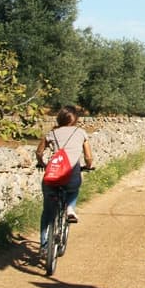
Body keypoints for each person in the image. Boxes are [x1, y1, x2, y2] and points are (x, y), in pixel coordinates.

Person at [35, 105, 93, 256]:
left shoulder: (51, 134)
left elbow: (39, 152)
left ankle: (43, 245)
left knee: (47, 213)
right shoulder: (81, 133)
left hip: (53, 176)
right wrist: (88, 166)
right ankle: (70, 208)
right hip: (71, 174)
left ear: (59, 119)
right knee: (74, 188)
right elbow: (88, 157)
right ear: (75, 120)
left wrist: (41, 163)